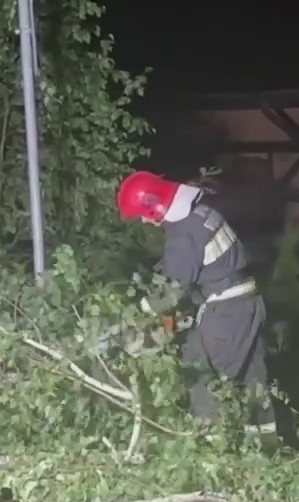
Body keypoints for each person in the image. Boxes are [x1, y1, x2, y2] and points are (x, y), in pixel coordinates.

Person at [115, 170, 279, 453]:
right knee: (255, 382)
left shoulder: (183, 233)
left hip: (226, 310)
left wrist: (139, 313)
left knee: (198, 373)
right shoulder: (202, 213)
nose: (144, 221)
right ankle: (267, 451)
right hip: (248, 302)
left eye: (144, 214)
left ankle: (211, 452)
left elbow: (171, 290)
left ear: (155, 204)